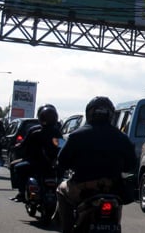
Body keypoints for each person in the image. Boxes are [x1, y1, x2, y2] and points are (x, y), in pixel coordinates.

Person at [56, 96, 137, 233]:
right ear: (111, 114)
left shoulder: (77, 136)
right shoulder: (122, 138)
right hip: (113, 189)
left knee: (61, 189)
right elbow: (132, 165)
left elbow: (62, 161)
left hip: (82, 189)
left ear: (89, 113)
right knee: (118, 205)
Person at [10, 104, 62, 202]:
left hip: (34, 163)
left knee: (15, 166)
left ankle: (21, 192)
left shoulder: (35, 131)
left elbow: (24, 145)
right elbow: (61, 147)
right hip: (52, 165)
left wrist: (16, 147)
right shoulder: (57, 132)